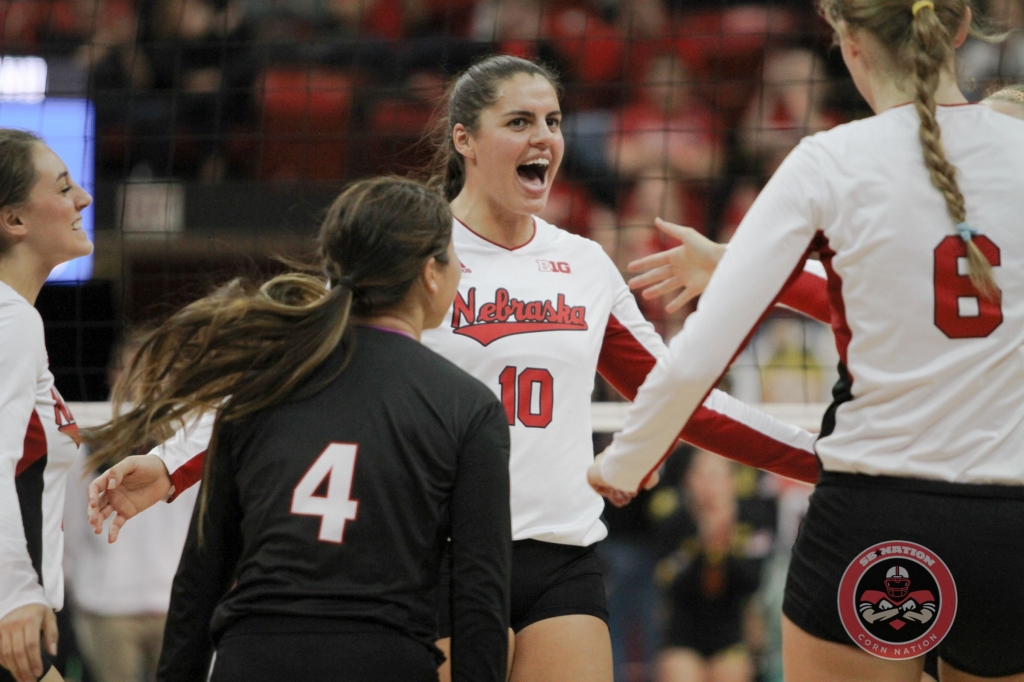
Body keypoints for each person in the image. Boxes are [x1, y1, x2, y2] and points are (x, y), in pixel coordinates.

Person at [87, 56, 827, 682]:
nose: (545, 137)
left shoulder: (583, 264)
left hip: (562, 554)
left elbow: (680, 398)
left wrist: (827, 462)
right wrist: (169, 463)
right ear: (464, 139)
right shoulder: (408, 250)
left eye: (555, 122)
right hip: (431, 555)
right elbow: (288, 370)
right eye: (521, 122)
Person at [589, 0, 1024, 678]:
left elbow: (695, 361)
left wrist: (622, 462)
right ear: (961, 26)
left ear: (848, 43)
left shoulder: (829, 160)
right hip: (1011, 528)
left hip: (877, 518)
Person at [83, 176, 513, 682]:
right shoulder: (469, 406)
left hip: (254, 660)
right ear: (430, 274)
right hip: (381, 659)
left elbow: (201, 577)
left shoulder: (257, 391)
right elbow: (479, 597)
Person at [0, 129, 93, 682]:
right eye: (63, 188)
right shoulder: (11, 321)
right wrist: (14, 595)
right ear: (14, 221)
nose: (82, 198)